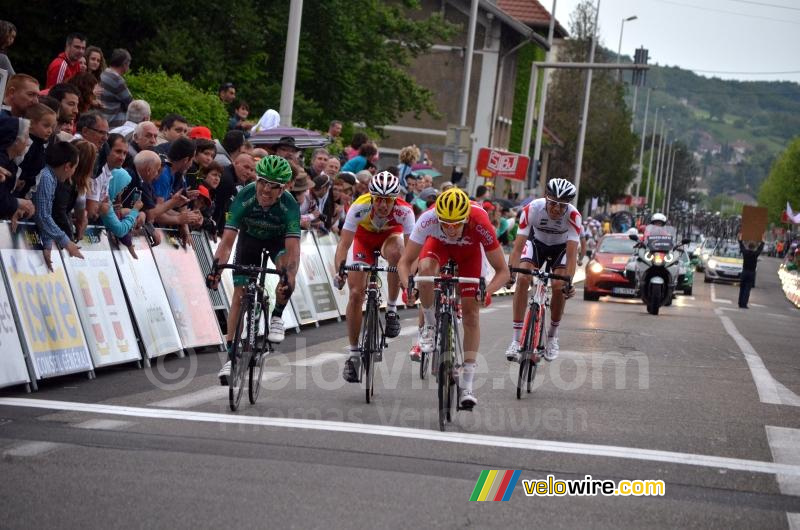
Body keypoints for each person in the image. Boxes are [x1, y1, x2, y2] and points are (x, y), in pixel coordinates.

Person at [397, 188, 510, 409]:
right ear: (437, 217)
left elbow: (503, 271)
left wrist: (487, 292)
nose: (450, 229)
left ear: (466, 218)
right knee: (425, 270)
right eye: (445, 223)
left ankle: (467, 384)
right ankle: (430, 325)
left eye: (456, 224)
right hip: (437, 247)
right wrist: (408, 286)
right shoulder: (428, 218)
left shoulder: (480, 221)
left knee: (471, 315)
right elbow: (405, 262)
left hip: (469, 254)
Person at [207, 155, 300, 385]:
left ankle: (277, 316)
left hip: (278, 241)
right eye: (262, 182)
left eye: (273, 186)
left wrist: (288, 278)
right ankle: (231, 357)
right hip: (250, 239)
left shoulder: (290, 206)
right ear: (256, 180)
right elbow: (227, 242)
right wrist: (216, 269)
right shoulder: (245, 196)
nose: (266, 189)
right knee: (239, 295)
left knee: (286, 273)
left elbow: (293, 251)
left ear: (283, 189)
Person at [333, 172, 415, 382]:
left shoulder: (405, 211)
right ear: (371, 197)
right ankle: (353, 355)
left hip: (390, 239)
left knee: (397, 254)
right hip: (364, 241)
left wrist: (409, 280)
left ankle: (391, 310)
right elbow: (344, 244)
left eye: (388, 200)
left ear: (395, 199)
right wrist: (339, 270)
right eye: (378, 199)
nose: (383, 205)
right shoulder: (359, 207)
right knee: (355, 294)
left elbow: (411, 254)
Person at [505, 178, 580, 363]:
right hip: (536, 244)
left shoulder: (574, 216)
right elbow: (518, 247)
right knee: (523, 279)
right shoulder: (532, 209)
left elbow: (571, 256)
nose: (556, 209)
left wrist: (569, 281)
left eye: (562, 206)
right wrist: (510, 272)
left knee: (558, 286)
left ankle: (552, 337)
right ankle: (516, 340)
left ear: (568, 205)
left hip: (560, 249)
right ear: (546, 197)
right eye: (553, 203)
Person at [33, 141, 84, 270]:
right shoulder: (46, 178)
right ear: (67, 166)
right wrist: (66, 242)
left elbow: (45, 212)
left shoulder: (51, 178)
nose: (73, 172)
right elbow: (42, 216)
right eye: (74, 168)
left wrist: (47, 243)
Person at [0, 117, 36, 225]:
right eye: (26, 137)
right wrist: (18, 203)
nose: (28, 143)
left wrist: (14, 209)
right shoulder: (2, 162)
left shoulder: (10, 163)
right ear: (15, 140)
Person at [738, 239, 764, 309]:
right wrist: (762, 242)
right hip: (751, 273)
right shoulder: (755, 254)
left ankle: (740, 303)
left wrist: (740, 241)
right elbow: (760, 249)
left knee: (742, 288)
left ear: (748, 247)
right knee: (747, 289)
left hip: (744, 271)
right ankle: (744, 304)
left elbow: (742, 247)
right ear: (754, 248)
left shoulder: (745, 253)